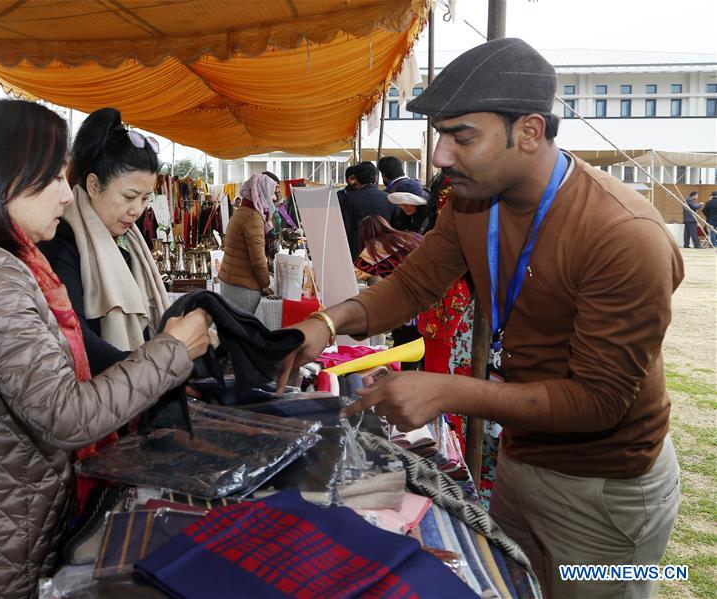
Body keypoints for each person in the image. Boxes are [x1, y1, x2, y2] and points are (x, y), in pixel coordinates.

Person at [278, 38, 682, 599]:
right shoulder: (469, 201)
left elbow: (599, 400)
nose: (439, 156)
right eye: (441, 135)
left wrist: (447, 391)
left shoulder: (623, 236)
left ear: (531, 132)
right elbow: (413, 285)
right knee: (516, 587)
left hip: (606, 488)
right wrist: (323, 323)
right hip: (521, 456)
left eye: (460, 136)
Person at [0, 99, 211, 598]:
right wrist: (171, 351)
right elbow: (65, 415)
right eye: (52, 178)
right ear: (8, 178)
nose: (65, 196)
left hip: (0, 518)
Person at [38, 108, 167, 374]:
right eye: (129, 196)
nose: (137, 210)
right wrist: (157, 369)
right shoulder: (60, 242)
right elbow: (76, 340)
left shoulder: (129, 241)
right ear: (94, 186)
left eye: (145, 199)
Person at [354, 215, 423, 368]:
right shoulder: (408, 237)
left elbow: (354, 273)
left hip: (405, 304)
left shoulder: (374, 248)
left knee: (404, 348)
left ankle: (405, 381)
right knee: (424, 348)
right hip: (427, 297)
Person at [217, 171, 279, 313]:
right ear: (262, 191)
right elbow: (257, 260)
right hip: (242, 288)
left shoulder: (241, 211)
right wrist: (265, 285)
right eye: (272, 192)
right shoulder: (253, 217)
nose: (274, 198)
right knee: (242, 331)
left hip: (230, 282)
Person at [342, 161, 396, 259]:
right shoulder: (389, 198)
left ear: (356, 180)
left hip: (357, 252)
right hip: (383, 252)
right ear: (375, 178)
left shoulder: (349, 198)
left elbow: (345, 228)